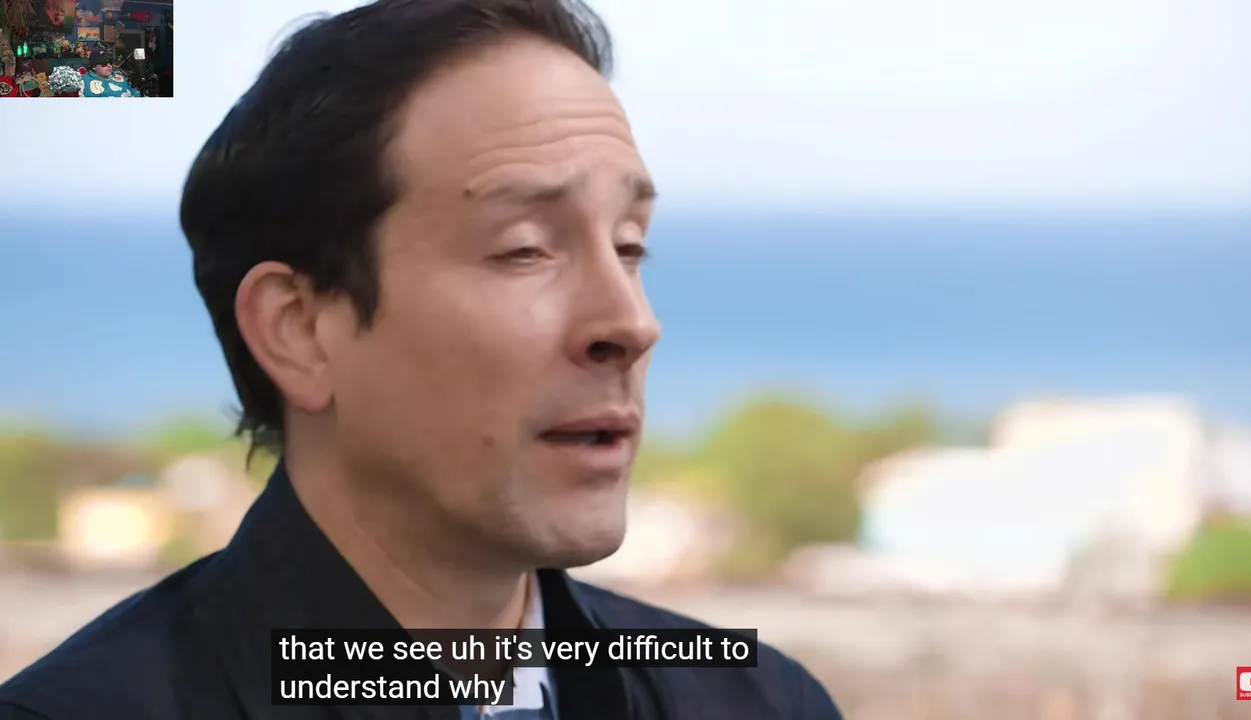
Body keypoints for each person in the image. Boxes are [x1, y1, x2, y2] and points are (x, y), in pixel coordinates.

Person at [0, 1, 843, 718]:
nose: (631, 323)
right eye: (524, 249)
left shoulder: (759, 701)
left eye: (629, 247)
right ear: (298, 330)